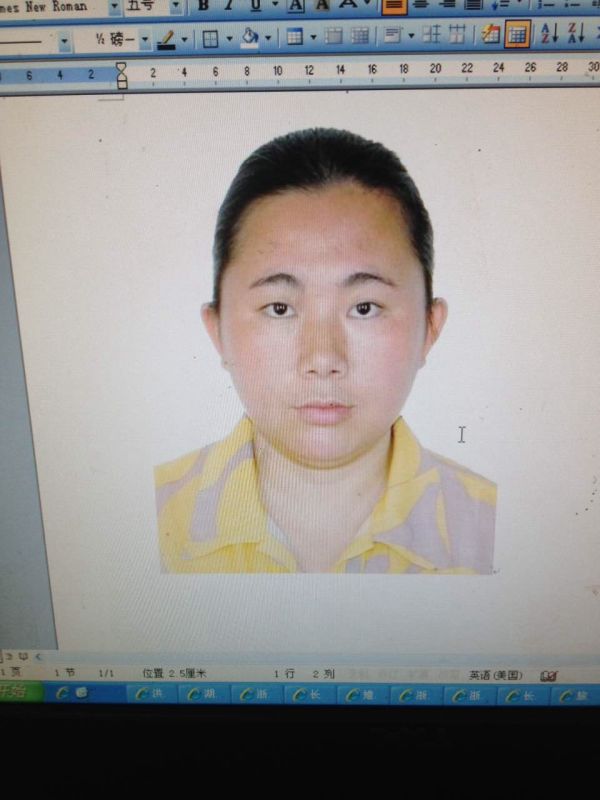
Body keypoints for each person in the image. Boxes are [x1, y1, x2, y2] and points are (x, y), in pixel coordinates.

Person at [155, 127, 496, 574]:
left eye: (364, 308)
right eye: (280, 309)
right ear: (217, 331)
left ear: (429, 328)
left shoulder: (494, 529)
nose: (322, 359)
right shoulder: (144, 519)